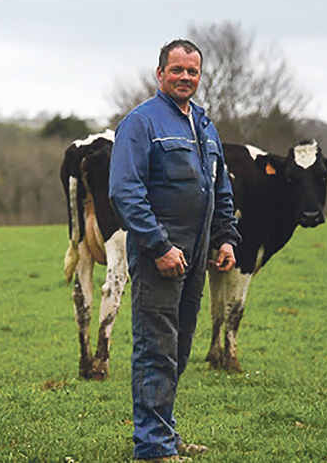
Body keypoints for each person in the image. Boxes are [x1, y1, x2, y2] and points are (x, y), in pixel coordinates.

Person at [109, 39, 240, 462]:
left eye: (193, 71)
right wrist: (159, 245)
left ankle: (164, 433)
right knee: (156, 347)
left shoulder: (203, 124)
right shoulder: (141, 123)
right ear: (160, 73)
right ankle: (153, 448)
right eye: (177, 70)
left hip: (197, 256)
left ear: (200, 77)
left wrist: (225, 237)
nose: (186, 77)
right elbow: (124, 192)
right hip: (158, 256)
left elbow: (220, 187)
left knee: (179, 348)